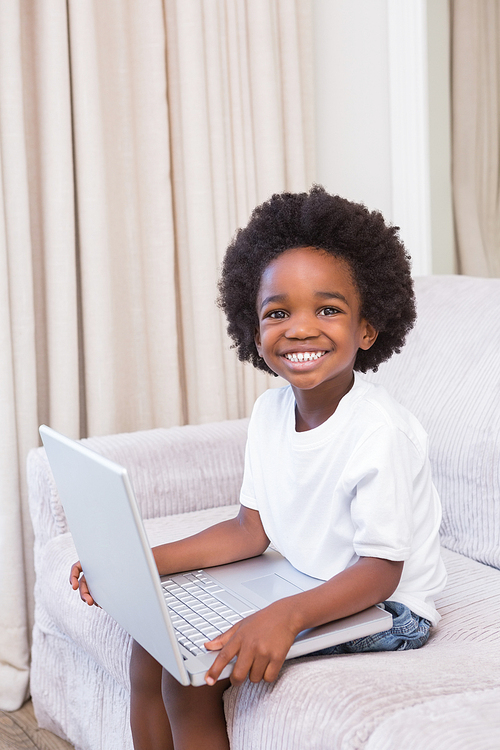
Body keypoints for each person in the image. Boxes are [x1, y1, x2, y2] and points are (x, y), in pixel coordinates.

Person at [70, 186, 447, 750]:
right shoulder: (271, 412)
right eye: (278, 312)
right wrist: (141, 565)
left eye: (328, 309)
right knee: (150, 641)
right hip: (306, 577)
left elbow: (379, 571)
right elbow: (251, 530)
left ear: (367, 329)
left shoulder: (378, 432)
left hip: (389, 610)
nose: (299, 328)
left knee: (194, 670)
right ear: (254, 330)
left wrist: (285, 616)